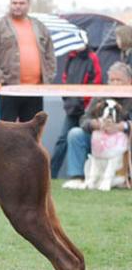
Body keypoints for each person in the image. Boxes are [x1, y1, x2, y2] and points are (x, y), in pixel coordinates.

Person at [0, 0, 56, 122]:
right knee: (5, 133)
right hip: (9, 89)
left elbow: (50, 54)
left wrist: (48, 76)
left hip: (35, 90)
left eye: (21, 3)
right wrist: (0, 78)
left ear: (28, 5)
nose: (17, 6)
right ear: (10, 4)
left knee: (33, 133)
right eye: (14, 3)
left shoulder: (39, 27)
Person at [62, 61, 132, 189]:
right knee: (75, 134)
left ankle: (124, 178)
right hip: (98, 140)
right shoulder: (100, 96)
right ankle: (77, 177)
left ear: (129, 82)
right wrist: (94, 124)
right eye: (112, 80)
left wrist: (122, 127)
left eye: (119, 80)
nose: (115, 83)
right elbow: (84, 119)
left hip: (124, 143)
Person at [50, 36, 102, 178]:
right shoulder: (70, 57)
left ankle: (85, 174)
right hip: (72, 107)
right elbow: (65, 78)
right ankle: (51, 173)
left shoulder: (92, 58)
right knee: (63, 140)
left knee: (86, 139)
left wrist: (84, 100)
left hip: (86, 108)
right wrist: (68, 98)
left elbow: (96, 81)